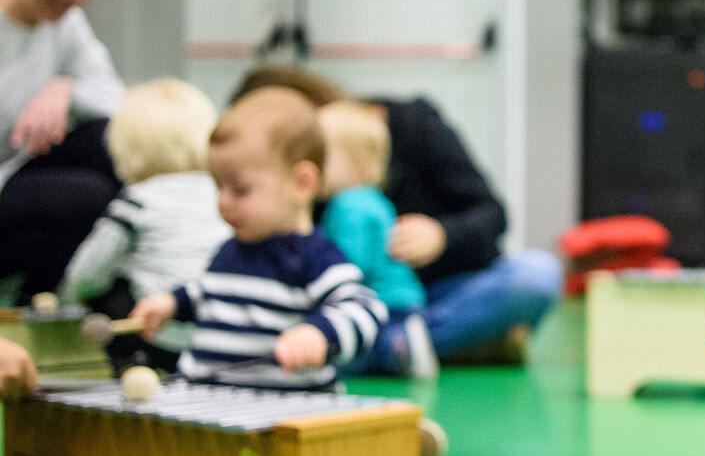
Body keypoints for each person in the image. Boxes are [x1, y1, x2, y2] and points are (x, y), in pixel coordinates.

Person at [230, 66, 561, 367]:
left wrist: (441, 235)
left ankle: (390, 348)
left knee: (536, 275)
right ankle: (443, 345)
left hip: (442, 292)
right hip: (354, 303)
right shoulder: (303, 180)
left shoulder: (413, 123)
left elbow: (492, 214)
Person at [130, 87, 387, 389]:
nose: (223, 201)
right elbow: (212, 293)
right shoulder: (230, 250)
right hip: (208, 400)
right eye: (218, 186)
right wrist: (173, 303)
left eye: (240, 189)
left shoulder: (314, 257)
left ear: (301, 183)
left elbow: (366, 308)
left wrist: (319, 334)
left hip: (286, 414)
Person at [0, 0, 125, 301]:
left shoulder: (65, 24)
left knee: (110, 142)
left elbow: (118, 102)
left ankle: (52, 297)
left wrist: (64, 89)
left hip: (16, 180)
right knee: (87, 195)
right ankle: (31, 298)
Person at [59, 78, 232, 371]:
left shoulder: (137, 201)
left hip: (157, 337)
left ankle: (128, 367)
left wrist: (66, 303)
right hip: (217, 334)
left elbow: (87, 275)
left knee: (109, 285)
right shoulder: (222, 196)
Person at [316, 99, 437, 378]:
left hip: (384, 301)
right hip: (404, 299)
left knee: (353, 352)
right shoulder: (373, 199)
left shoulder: (349, 205)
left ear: (355, 162)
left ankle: (399, 346)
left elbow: (349, 263)